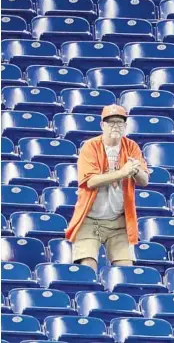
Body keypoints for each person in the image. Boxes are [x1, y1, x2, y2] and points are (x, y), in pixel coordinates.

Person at [65, 104, 149, 272]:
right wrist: (123, 173)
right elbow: (90, 181)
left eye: (119, 122)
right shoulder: (90, 146)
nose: (115, 126)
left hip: (119, 219)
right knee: (87, 268)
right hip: (89, 218)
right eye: (111, 123)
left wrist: (135, 170)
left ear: (125, 126)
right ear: (102, 125)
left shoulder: (131, 146)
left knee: (126, 271)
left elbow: (144, 180)